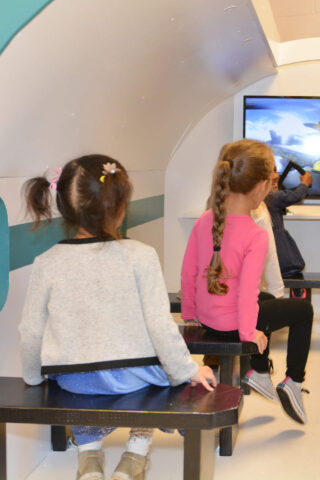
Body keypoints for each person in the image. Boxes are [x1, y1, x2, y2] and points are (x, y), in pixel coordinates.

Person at [19, 154, 216, 480]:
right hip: (133, 379)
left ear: (64, 207)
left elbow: (30, 331)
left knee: (82, 372)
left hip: (75, 382)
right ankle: (134, 458)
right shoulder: (141, 255)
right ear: (121, 207)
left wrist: (32, 378)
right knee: (158, 371)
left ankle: (89, 458)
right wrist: (190, 369)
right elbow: (160, 326)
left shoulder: (47, 261)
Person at [181, 139, 313, 424]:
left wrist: (190, 314)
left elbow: (188, 271)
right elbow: (246, 293)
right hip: (231, 326)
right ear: (260, 188)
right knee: (302, 311)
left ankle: (260, 372)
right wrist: (247, 334)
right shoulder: (255, 234)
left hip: (205, 319)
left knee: (266, 303)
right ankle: (293, 381)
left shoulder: (204, 219)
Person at [265, 168, 313, 286]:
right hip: (282, 261)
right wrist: (305, 183)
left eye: (275, 170)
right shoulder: (273, 198)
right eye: (270, 171)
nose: (276, 175)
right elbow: (297, 195)